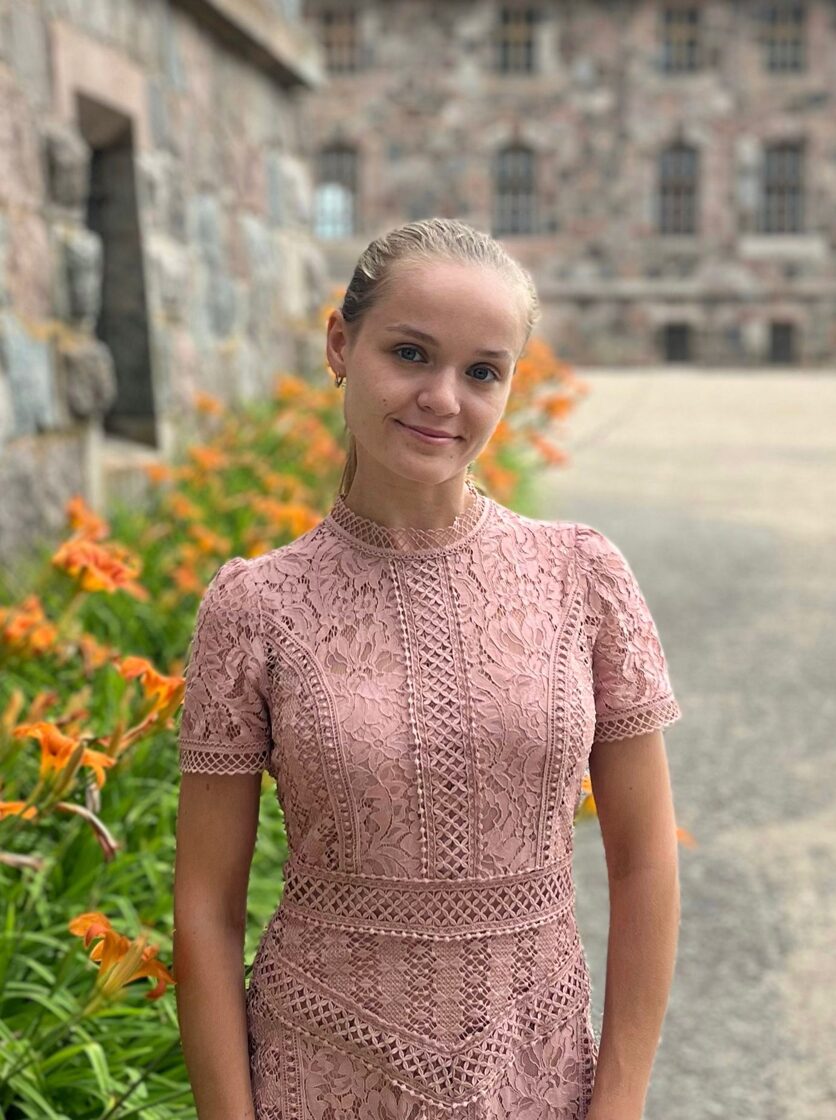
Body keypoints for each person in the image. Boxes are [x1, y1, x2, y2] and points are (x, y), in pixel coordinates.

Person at [172, 217, 683, 1120]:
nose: (442, 398)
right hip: (318, 1071)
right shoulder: (255, 606)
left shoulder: (582, 576)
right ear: (341, 345)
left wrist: (619, 1104)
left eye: (483, 371)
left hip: (532, 1073)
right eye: (410, 353)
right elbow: (206, 906)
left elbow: (644, 861)